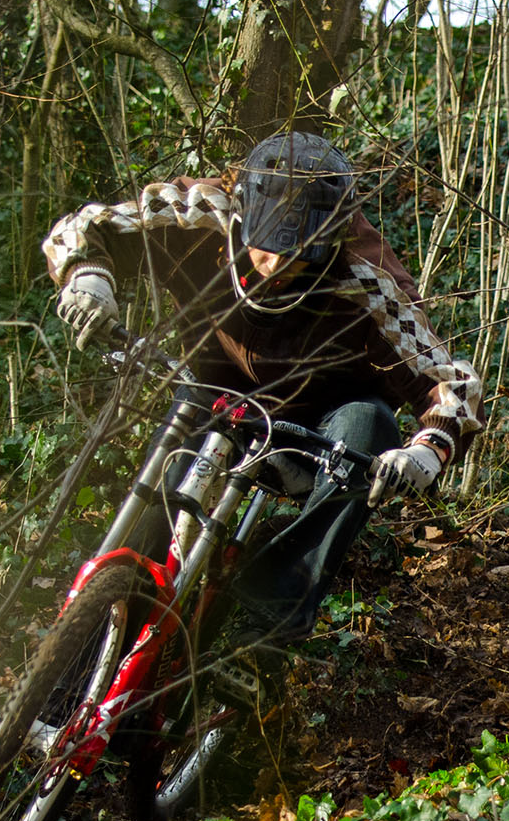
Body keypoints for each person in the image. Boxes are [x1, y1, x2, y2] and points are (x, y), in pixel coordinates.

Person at [40, 131, 485, 654]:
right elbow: (89, 226)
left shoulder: (365, 274)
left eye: (298, 253)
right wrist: (88, 274)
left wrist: (427, 448)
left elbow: (448, 379)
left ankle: (272, 623)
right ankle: (84, 654)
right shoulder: (200, 212)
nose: (275, 264)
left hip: (319, 426)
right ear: (245, 208)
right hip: (210, 394)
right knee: (152, 519)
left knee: (371, 424)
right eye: (267, 244)